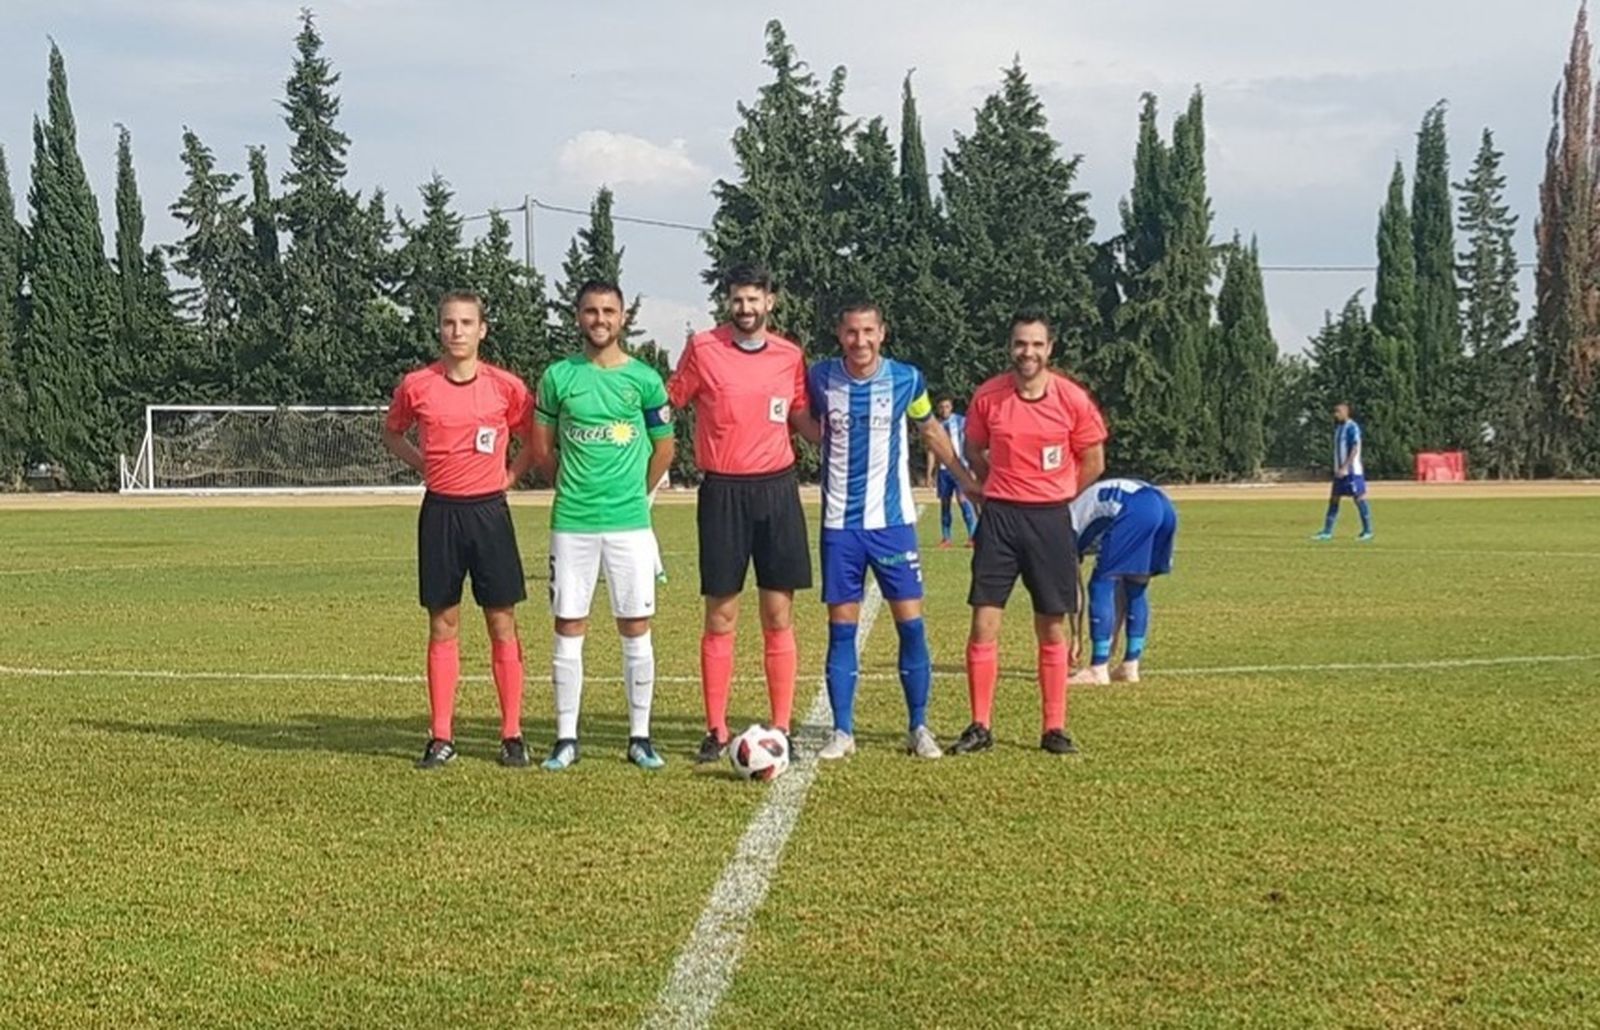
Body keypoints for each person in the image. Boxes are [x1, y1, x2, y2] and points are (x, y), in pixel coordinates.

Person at [800, 302, 982, 761]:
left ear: (882, 333)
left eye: (868, 332)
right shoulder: (821, 378)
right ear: (839, 335)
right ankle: (842, 731)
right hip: (840, 525)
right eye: (850, 333)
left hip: (893, 525)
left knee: (911, 626)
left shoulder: (907, 379)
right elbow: (804, 424)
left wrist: (965, 480)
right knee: (841, 631)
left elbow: (930, 429)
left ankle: (918, 726)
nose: (859, 341)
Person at [382, 290, 536, 770]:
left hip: (489, 513)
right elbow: (393, 433)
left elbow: (534, 436)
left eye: (466, 323)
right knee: (443, 622)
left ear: (482, 330)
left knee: (501, 621)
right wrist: (423, 463)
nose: (457, 331)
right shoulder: (417, 385)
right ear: (439, 329)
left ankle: (511, 734)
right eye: (449, 323)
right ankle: (442, 736)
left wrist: (511, 476)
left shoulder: (507, 387)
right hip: (441, 513)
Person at [667, 264, 812, 763]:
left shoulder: (790, 355)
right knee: (721, 613)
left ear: (770, 301)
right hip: (722, 492)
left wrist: (849, 430)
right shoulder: (703, 349)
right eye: (737, 300)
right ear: (727, 302)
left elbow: (802, 416)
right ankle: (715, 728)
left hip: (777, 492)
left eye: (754, 299)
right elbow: (669, 400)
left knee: (778, 613)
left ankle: (783, 726)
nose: (746, 308)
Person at [531, 280, 675, 772]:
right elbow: (543, 450)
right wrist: (570, 486)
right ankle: (565, 737)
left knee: (635, 626)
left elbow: (665, 448)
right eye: (591, 311)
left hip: (629, 523)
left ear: (623, 318)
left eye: (608, 311)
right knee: (568, 625)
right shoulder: (557, 377)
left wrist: (636, 493)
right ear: (578, 317)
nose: (600, 319)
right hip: (572, 521)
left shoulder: (645, 379)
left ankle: (640, 737)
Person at [950, 312, 1107, 756]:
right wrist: (992, 482)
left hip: (1050, 521)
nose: (1028, 353)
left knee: (1052, 626)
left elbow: (1093, 460)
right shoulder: (989, 396)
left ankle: (1053, 728)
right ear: (1010, 347)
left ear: (1049, 349)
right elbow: (974, 447)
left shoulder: (1072, 399)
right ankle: (980, 725)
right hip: (999, 519)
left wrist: (1057, 496)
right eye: (1021, 344)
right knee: (984, 623)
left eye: (1036, 344)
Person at [1066, 478, 1178, 686]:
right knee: (1135, 585)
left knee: (1100, 584)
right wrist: (1111, 635)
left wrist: (1076, 637)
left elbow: (1073, 589)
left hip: (1135, 508)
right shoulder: (1077, 508)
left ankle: (1098, 669)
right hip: (1164, 505)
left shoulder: (1064, 529)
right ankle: (1130, 665)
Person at [924, 396, 980, 548]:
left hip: (960, 468)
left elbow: (971, 441)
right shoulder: (934, 426)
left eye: (947, 406)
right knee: (945, 503)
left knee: (963, 500)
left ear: (951, 407)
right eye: (941, 407)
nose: (944, 410)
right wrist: (930, 474)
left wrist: (972, 466)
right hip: (943, 471)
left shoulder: (961, 422)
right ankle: (946, 538)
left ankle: (972, 536)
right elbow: (931, 451)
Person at [1313, 401, 1373, 541]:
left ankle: (1367, 531)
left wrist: (1346, 466)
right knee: (1334, 499)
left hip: (1352, 472)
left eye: (1338, 411)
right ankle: (1327, 532)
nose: (1336, 414)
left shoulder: (1353, 427)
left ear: (1346, 412)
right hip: (1339, 472)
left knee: (1359, 498)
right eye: (1335, 412)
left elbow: (1355, 447)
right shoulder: (1339, 428)